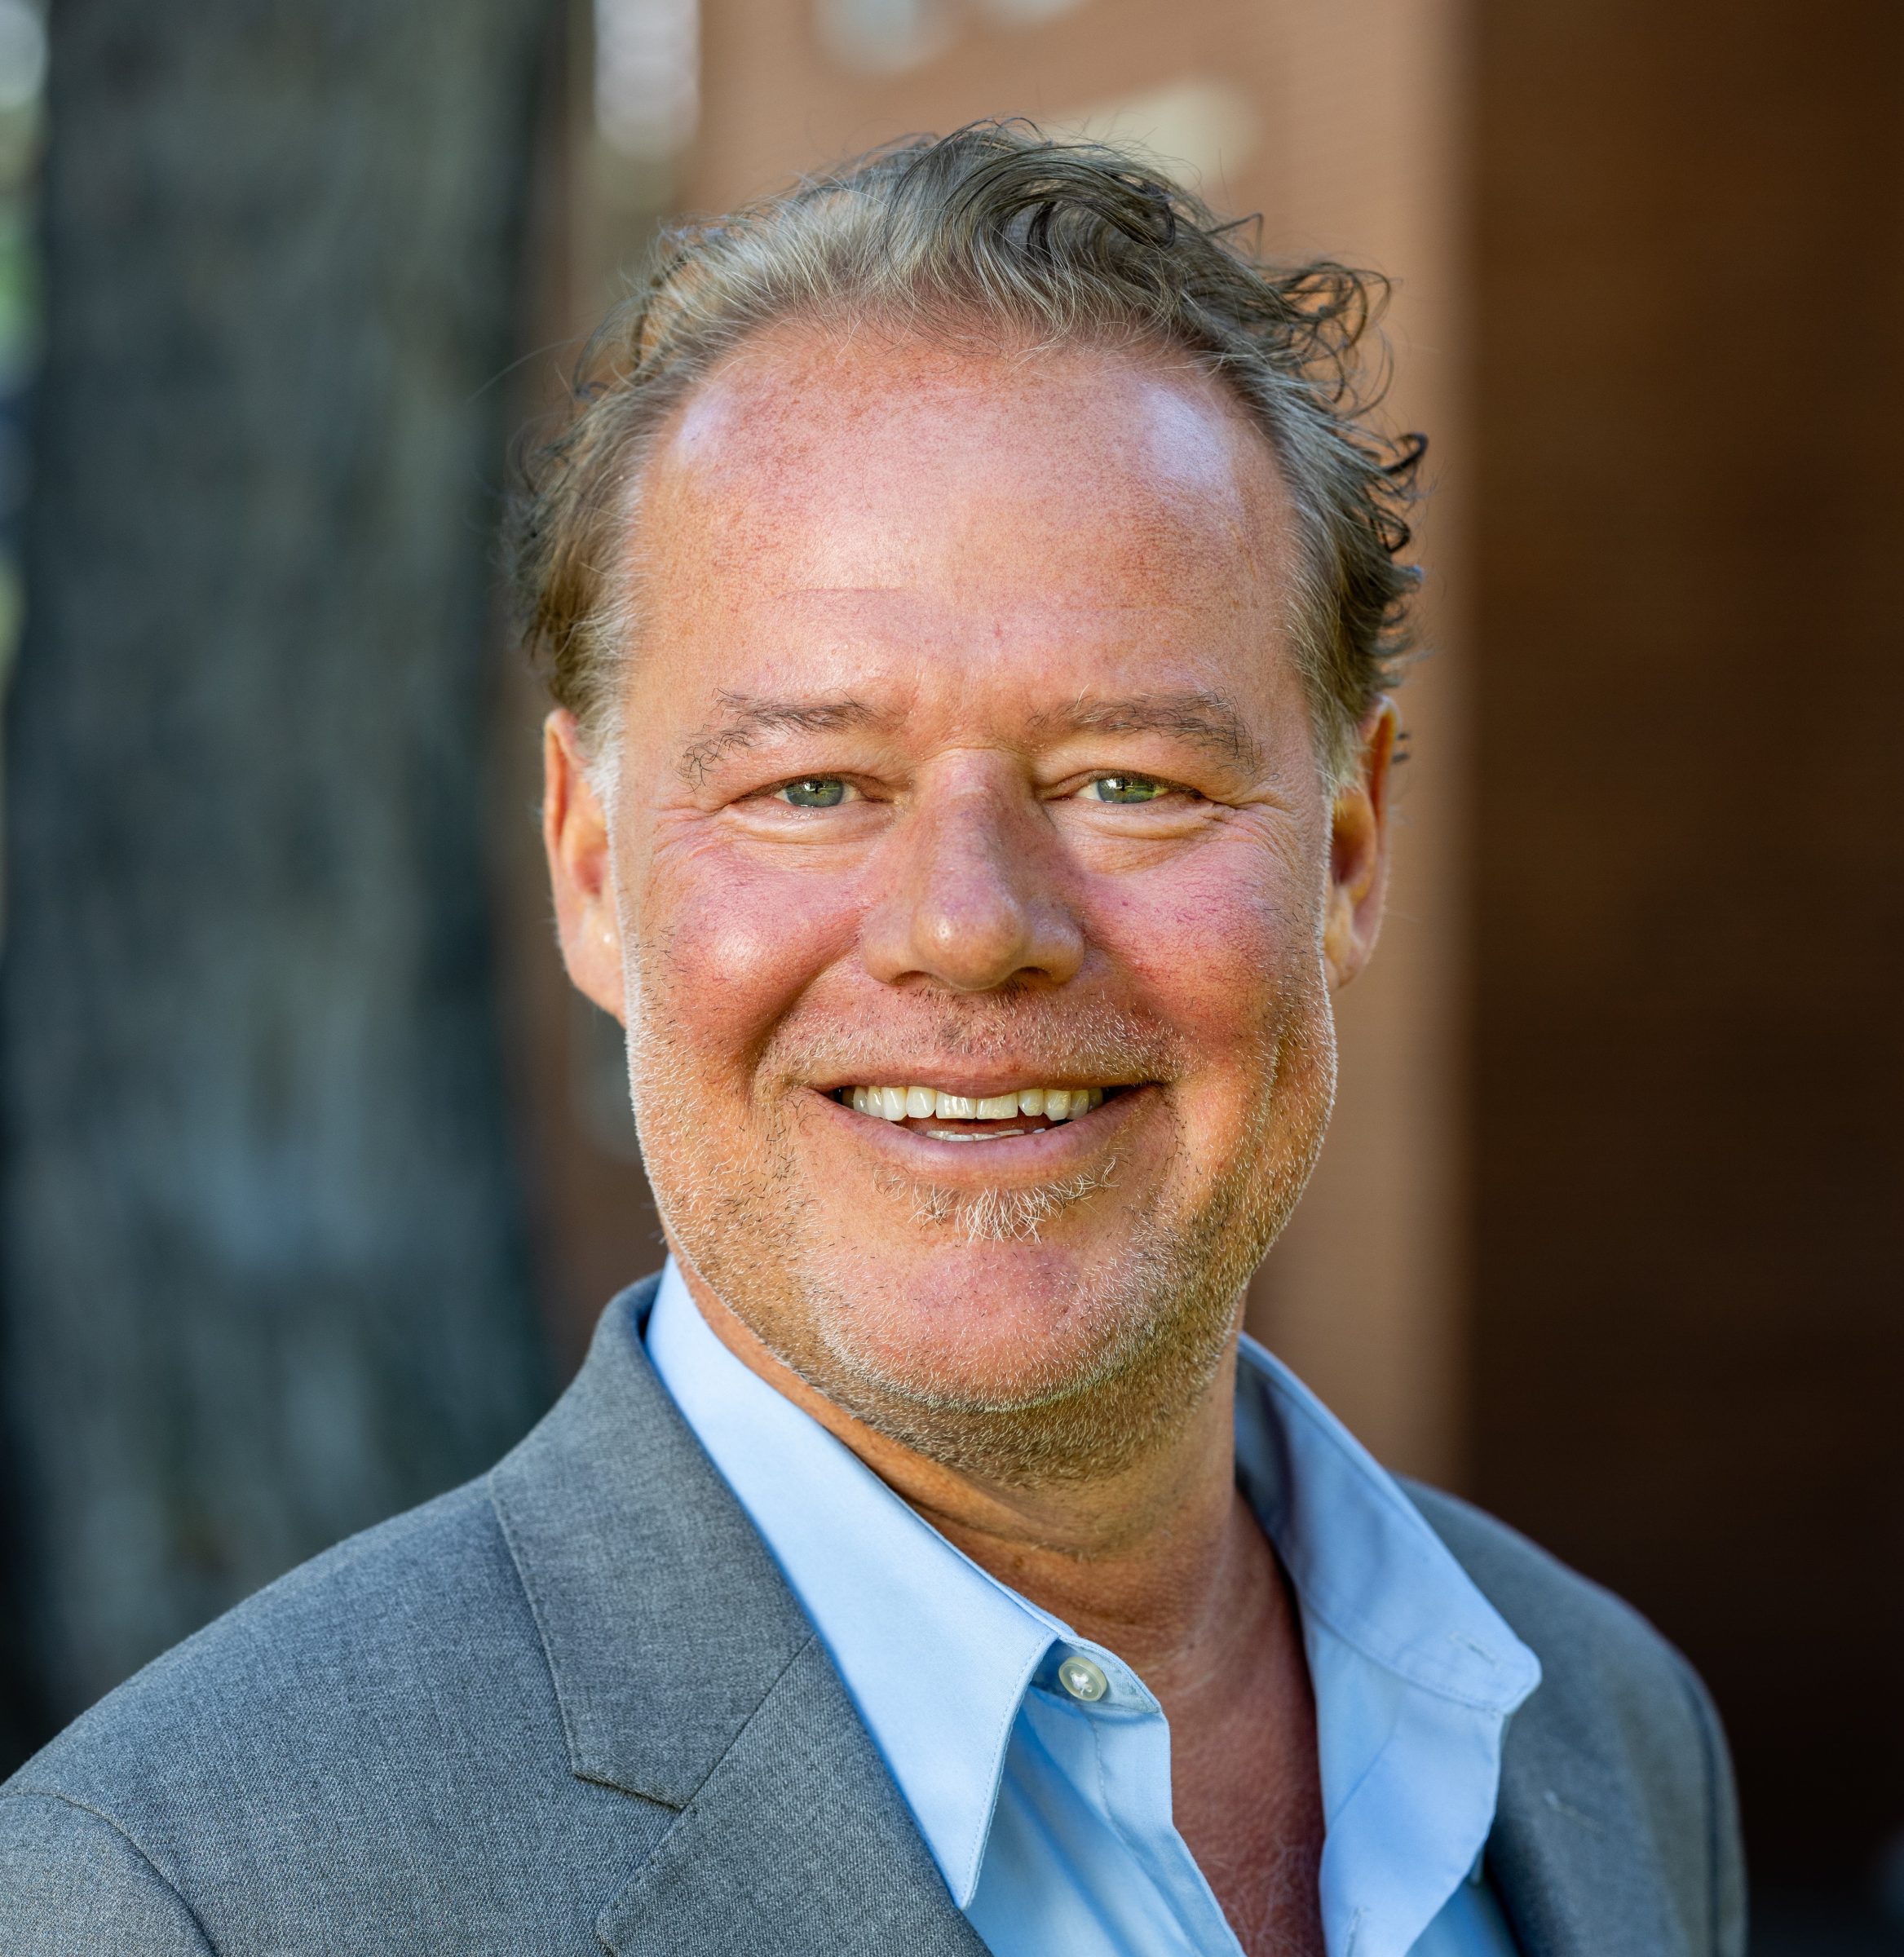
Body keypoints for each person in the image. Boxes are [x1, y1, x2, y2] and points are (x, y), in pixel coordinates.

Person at [0, 125, 1744, 1956]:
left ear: (1347, 853)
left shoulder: (1611, 1730)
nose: (970, 927)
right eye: (814, 785)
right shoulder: (176, 1897)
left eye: (1129, 781)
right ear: (592, 870)